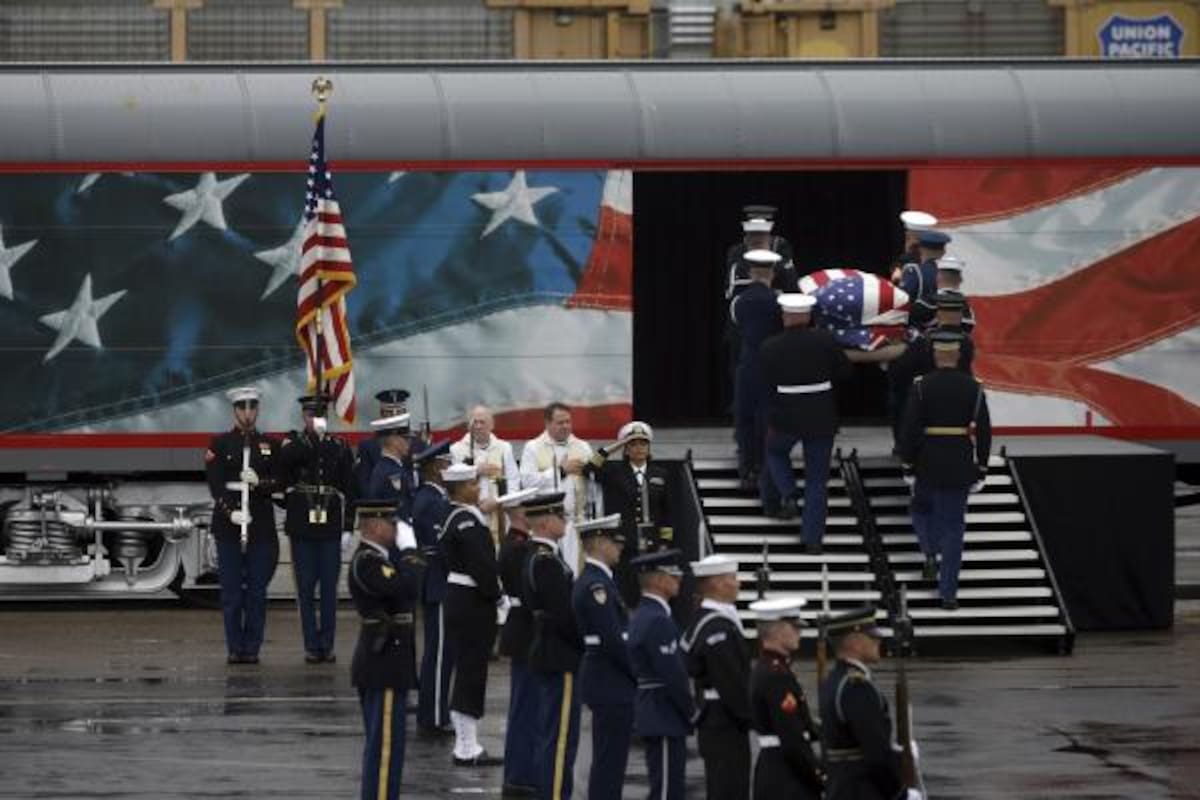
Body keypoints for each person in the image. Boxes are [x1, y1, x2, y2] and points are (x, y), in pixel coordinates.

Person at [898, 330, 992, 610]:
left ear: (937, 356)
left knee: (919, 509)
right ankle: (948, 593)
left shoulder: (921, 385)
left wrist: (908, 462)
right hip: (960, 460)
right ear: (958, 356)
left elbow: (909, 428)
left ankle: (928, 551)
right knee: (954, 528)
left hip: (928, 460)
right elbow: (984, 430)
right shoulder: (974, 386)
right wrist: (982, 466)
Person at [758, 294, 853, 549]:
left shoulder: (769, 346)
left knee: (775, 452)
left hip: (785, 413)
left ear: (786, 316)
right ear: (809, 316)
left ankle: (789, 494)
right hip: (821, 415)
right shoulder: (825, 340)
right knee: (817, 480)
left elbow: (764, 385)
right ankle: (812, 540)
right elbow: (845, 372)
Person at [348, 500, 422, 800]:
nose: (396, 529)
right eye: (392, 524)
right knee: (385, 751)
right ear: (376, 526)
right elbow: (407, 588)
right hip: (384, 663)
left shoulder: (378, 558)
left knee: (389, 750)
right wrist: (410, 552)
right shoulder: (368, 561)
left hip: (388, 660)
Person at [276, 393, 355, 663]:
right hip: (302, 528)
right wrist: (312, 441)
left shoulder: (339, 446)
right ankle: (311, 645)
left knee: (330, 590)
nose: (315, 419)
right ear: (304, 417)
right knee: (306, 589)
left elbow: (350, 488)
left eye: (320, 415)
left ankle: (327, 644)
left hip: (330, 525)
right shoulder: (295, 444)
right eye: (311, 415)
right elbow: (284, 465)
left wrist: (348, 527)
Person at [204, 386, 280, 665]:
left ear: (258, 410)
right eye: (242, 408)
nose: (247, 413)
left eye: (252, 408)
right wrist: (231, 512)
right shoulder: (219, 444)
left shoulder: (270, 445)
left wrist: (260, 482)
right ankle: (235, 648)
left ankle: (253, 647)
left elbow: (280, 480)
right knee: (233, 594)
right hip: (229, 528)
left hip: (260, 526)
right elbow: (215, 485)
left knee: (257, 593)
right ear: (234, 410)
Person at [522, 491, 584, 800]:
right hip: (561, 654)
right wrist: (583, 645)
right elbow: (563, 614)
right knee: (560, 738)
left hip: (550, 650)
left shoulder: (540, 555)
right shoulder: (546, 562)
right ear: (546, 522)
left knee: (552, 733)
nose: (566, 521)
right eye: (561, 516)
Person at [440, 461, 504, 766]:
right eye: (472, 484)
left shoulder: (458, 517)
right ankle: (466, 745)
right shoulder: (466, 522)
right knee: (471, 670)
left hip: (462, 598)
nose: (477, 488)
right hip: (471, 601)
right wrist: (499, 596)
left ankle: (467, 742)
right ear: (459, 489)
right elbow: (482, 567)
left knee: (469, 669)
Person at [571, 512, 635, 800]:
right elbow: (613, 640)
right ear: (598, 542)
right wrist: (639, 672)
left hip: (608, 681)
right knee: (609, 761)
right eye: (614, 541)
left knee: (611, 759)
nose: (619, 547)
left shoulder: (599, 580)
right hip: (610, 682)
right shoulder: (596, 585)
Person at [819, 607, 912, 800]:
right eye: (872, 636)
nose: (878, 640)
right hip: (861, 789)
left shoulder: (834, 680)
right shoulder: (857, 687)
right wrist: (899, 793)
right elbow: (876, 754)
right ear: (855, 642)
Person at [682, 555, 751, 800]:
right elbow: (731, 681)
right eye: (732, 578)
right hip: (723, 720)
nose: (738, 583)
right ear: (717, 584)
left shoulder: (710, 618)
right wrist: (750, 715)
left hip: (718, 718)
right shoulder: (716, 627)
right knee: (728, 788)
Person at [628, 549, 695, 800]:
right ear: (658, 580)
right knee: (667, 789)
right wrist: (691, 710)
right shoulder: (657, 620)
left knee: (666, 783)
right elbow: (673, 674)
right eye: (673, 576)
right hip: (663, 711)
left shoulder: (645, 614)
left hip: (655, 709)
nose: (678, 580)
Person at [585, 420, 673, 605]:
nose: (639, 448)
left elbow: (667, 512)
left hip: (652, 544)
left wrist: (665, 542)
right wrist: (616, 445)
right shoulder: (615, 472)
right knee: (627, 591)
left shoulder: (661, 474)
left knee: (652, 592)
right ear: (625, 448)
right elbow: (590, 467)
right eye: (633, 444)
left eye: (643, 443)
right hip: (625, 545)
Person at [747, 597, 823, 800]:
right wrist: (819, 774)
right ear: (778, 630)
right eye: (794, 627)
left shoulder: (772, 668)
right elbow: (792, 738)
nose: (800, 632)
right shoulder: (776, 675)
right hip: (786, 776)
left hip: (778, 770)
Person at [497, 486, 543, 798]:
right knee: (527, 707)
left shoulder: (518, 544)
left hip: (521, 628)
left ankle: (521, 771)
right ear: (520, 513)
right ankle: (522, 774)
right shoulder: (519, 547)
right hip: (525, 628)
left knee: (525, 706)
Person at [411, 441, 455, 736]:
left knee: (440, 652)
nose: (450, 469)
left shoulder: (434, 498)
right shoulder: (432, 501)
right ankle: (435, 716)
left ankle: (434, 711)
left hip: (439, 580)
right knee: (439, 654)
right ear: (437, 468)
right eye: (447, 464)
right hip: (438, 580)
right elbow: (440, 545)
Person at [519, 402, 594, 575]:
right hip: (546, 524)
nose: (565, 426)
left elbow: (592, 486)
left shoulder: (583, 447)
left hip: (576, 523)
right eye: (560, 422)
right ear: (547, 423)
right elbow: (527, 482)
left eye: (568, 421)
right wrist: (560, 471)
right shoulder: (533, 447)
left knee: (576, 573)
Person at [730, 252, 784, 491]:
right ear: (772, 273)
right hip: (772, 366)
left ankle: (746, 470)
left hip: (747, 364)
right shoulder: (778, 301)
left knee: (744, 418)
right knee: (767, 419)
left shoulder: (739, 302)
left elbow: (737, 327)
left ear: (751, 273)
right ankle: (765, 470)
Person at [451, 404, 521, 543]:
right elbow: (455, 486)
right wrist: (476, 470)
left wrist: (497, 501)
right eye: (475, 422)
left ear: (491, 425)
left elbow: (514, 481)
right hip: (472, 514)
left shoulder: (504, 448)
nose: (478, 426)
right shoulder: (457, 449)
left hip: (499, 513)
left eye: (482, 422)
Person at [724, 206, 797, 300]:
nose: (757, 239)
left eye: (761, 236)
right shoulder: (737, 256)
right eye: (753, 236)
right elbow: (730, 293)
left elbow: (792, 290)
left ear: (768, 238)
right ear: (746, 239)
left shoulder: (781, 251)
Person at [354, 388, 413, 497]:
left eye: (399, 413)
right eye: (390, 413)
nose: (395, 418)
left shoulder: (418, 444)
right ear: (382, 414)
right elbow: (365, 483)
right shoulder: (368, 447)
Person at [366, 411, 416, 521]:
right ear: (393, 440)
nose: (410, 442)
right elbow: (399, 511)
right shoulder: (392, 473)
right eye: (405, 438)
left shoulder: (387, 468)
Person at [896, 230, 950, 331]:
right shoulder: (947, 273)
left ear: (920, 248)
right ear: (943, 252)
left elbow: (902, 301)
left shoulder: (914, 270)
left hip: (916, 329)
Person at [933, 255, 975, 332]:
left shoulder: (929, 301)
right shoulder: (965, 304)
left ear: (938, 277)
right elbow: (970, 326)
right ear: (960, 279)